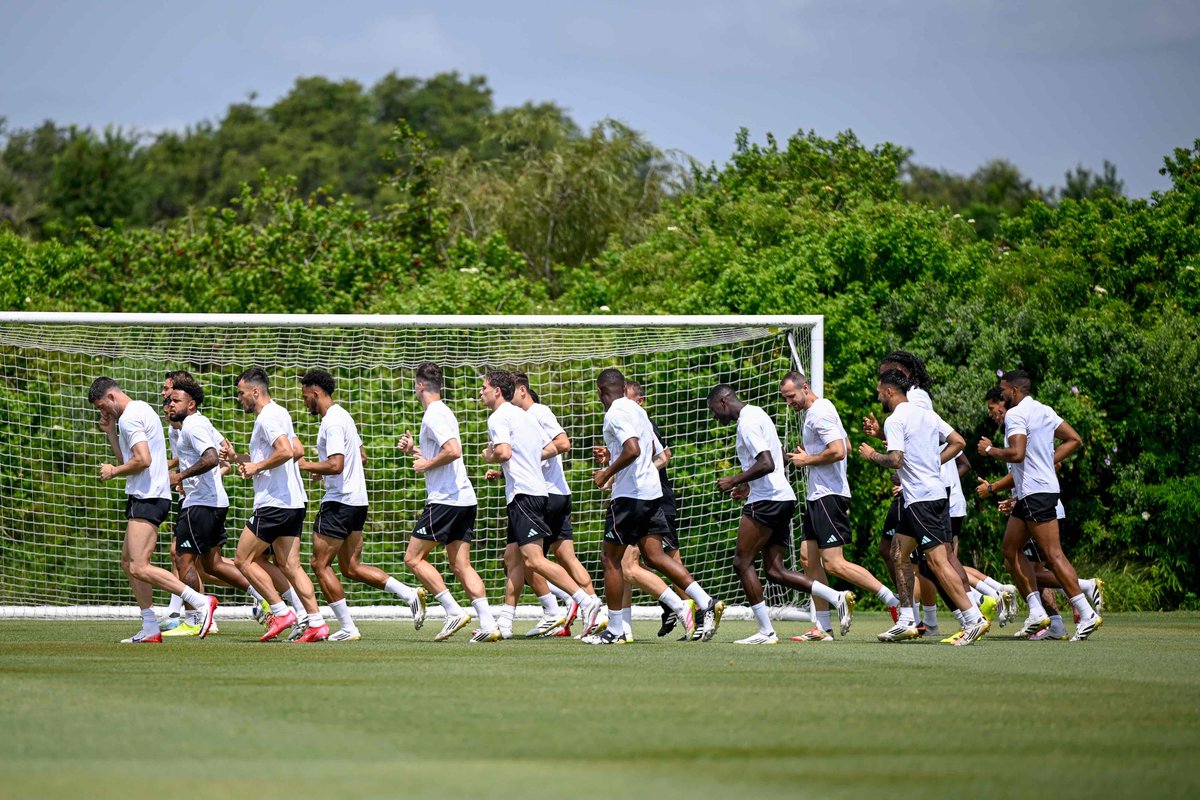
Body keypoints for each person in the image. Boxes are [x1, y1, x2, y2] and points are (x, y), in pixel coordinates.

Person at [708, 383, 852, 645]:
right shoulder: (758, 413)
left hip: (767, 501)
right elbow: (777, 460)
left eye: (713, 410)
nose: (714, 417)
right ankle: (836, 597)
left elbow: (767, 462)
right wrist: (747, 485)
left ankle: (766, 632)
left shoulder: (746, 423)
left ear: (723, 403)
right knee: (775, 571)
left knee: (742, 563)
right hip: (782, 498)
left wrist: (734, 479)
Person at [858, 371, 988, 645]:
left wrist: (871, 455)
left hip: (920, 500)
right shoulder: (927, 415)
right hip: (933, 495)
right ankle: (906, 620)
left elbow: (895, 460)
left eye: (880, 391)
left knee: (938, 562)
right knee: (897, 551)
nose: (878, 396)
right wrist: (931, 463)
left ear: (891, 392)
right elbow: (959, 442)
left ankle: (973, 618)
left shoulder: (895, 419)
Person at [297, 369, 425, 642]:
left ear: (316, 393)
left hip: (339, 502)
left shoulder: (331, 422)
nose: (305, 402)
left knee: (319, 565)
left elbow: (336, 464)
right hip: (357, 502)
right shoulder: (345, 416)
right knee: (351, 567)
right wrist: (324, 469)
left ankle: (347, 627)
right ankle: (409, 594)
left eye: (306, 397)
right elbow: (362, 457)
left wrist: (307, 465)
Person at [592, 368, 718, 644]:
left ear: (600, 391)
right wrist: (616, 459)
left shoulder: (614, 412)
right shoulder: (638, 411)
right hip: (651, 492)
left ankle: (615, 630)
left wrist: (606, 473)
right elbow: (652, 452)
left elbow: (634, 449)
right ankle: (705, 601)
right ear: (625, 387)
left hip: (630, 496)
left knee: (611, 559)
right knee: (655, 556)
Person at [88, 377, 217, 643]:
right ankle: (149, 625)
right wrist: (111, 432)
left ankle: (200, 602)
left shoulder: (131, 417)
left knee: (139, 565)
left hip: (149, 497)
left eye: (102, 406)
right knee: (128, 563)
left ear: (111, 397)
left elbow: (142, 461)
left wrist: (113, 472)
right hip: (143, 495)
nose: (102, 412)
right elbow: (129, 460)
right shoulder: (136, 411)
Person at [977, 371, 1101, 640]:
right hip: (1031, 495)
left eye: (1004, 390)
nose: (1003, 394)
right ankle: (1036, 610)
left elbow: (1016, 454)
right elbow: (1074, 439)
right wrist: (1047, 460)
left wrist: (989, 450)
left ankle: (1086, 612)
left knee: (1054, 556)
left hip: (1035, 493)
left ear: (1013, 389)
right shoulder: (1044, 410)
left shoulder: (1016, 414)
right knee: (1010, 549)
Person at [480, 370, 602, 642]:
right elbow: (542, 448)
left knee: (535, 560)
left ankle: (585, 601)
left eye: (484, 387)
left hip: (525, 495)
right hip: (534, 493)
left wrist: (490, 455)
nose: (481, 392)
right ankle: (505, 624)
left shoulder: (499, 416)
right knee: (512, 558)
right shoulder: (524, 416)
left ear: (497, 391)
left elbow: (503, 452)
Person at [779, 372, 899, 641]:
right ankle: (822, 627)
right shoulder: (819, 411)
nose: (789, 403)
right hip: (817, 495)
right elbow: (846, 442)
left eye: (792, 397)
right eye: (786, 399)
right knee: (808, 559)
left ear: (805, 388)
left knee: (834, 564)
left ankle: (895, 603)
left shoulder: (820, 412)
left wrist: (808, 459)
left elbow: (839, 451)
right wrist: (809, 453)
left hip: (829, 496)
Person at [221, 367, 327, 643]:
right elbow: (297, 450)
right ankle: (316, 622)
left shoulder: (267, 418)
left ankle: (280, 611)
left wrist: (257, 466)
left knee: (243, 559)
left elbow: (285, 451)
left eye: (241, 394)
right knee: (290, 566)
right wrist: (238, 458)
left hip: (275, 503)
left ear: (255, 392)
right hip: (294, 501)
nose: (239, 399)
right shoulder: (280, 412)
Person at [396, 362, 494, 642]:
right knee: (461, 564)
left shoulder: (434, 415)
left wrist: (426, 463)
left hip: (445, 501)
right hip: (464, 499)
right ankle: (488, 623)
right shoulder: (443, 412)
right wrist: (415, 450)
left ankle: (453, 611)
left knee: (413, 558)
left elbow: (453, 451)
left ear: (420, 386)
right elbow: (444, 452)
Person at [162, 378, 267, 636]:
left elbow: (211, 458)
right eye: (169, 400)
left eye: (175, 400)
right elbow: (222, 449)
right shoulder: (201, 422)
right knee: (212, 564)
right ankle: (265, 596)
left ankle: (196, 617)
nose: (169, 404)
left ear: (192, 403)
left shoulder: (191, 426)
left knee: (182, 558)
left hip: (200, 503)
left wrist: (181, 476)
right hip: (214, 502)